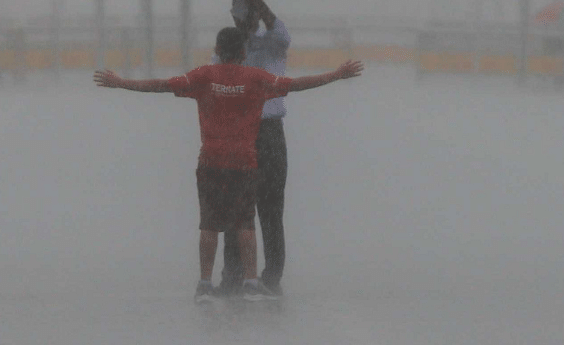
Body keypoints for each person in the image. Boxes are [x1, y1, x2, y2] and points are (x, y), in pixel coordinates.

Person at [93, 26, 362, 303]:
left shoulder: (203, 76)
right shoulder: (256, 78)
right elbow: (295, 85)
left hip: (211, 161)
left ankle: (205, 284)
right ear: (244, 52)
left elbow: (161, 85)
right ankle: (251, 282)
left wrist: (121, 82)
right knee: (245, 224)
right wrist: (336, 75)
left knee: (209, 224)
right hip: (244, 163)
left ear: (218, 51)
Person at [218, 0, 291, 296]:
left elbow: (281, 33)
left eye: (253, 13)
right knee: (236, 209)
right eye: (243, 13)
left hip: (271, 131)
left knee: (271, 210)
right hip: (239, 134)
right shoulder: (228, 48)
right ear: (235, 18)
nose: (248, 20)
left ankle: (271, 277)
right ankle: (232, 277)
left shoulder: (273, 42)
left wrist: (258, 0)